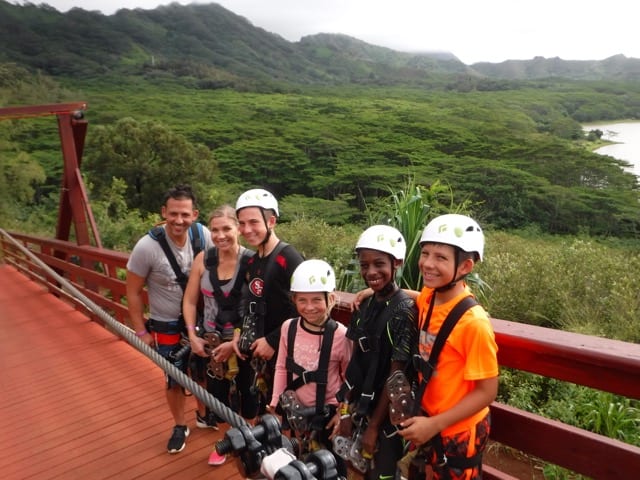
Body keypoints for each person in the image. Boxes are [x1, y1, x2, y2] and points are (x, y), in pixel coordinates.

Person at [398, 214, 499, 480]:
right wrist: (380, 292)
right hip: (429, 419)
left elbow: (487, 391)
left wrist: (434, 425)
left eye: (441, 258)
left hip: (458, 430)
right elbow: (419, 298)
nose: (428, 264)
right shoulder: (431, 296)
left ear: (465, 265)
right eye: (425, 253)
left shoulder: (474, 323)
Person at [126, 184, 213, 455]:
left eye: (185, 214)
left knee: (203, 372)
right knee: (173, 377)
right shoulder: (147, 246)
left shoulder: (204, 237)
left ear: (195, 214)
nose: (179, 220)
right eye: (173, 213)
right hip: (165, 323)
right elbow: (132, 291)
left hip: (199, 320)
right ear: (164, 212)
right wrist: (141, 333)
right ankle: (179, 424)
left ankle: (203, 414)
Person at [333, 225, 418, 480]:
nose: (370, 272)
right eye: (364, 265)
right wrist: (346, 410)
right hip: (362, 404)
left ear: (397, 263)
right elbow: (355, 361)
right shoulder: (365, 304)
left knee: (382, 472)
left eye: (379, 264)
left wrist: (372, 427)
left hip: (385, 416)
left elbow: (396, 377)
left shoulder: (404, 311)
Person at [182, 204, 255, 466]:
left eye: (227, 228)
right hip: (212, 341)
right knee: (217, 397)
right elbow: (190, 301)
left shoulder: (251, 262)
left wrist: (238, 340)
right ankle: (227, 443)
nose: (220, 235)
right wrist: (192, 335)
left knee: (249, 395)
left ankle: (249, 444)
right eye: (214, 230)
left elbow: (260, 307)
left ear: (239, 229)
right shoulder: (204, 260)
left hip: (243, 341)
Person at [269, 259, 352, 476]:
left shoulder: (341, 335)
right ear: (294, 300)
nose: (309, 307)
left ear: (331, 298)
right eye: (302, 300)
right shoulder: (289, 328)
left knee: (330, 468)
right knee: (296, 465)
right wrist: (276, 403)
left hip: (326, 415)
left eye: (317, 299)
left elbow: (349, 380)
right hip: (294, 410)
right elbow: (281, 366)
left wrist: (342, 415)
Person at [232, 188, 304, 414]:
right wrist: (239, 331)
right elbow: (250, 302)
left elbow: (309, 308)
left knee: (283, 413)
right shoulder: (254, 261)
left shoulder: (289, 258)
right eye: (241, 224)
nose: (246, 229)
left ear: (271, 221)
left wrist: (273, 340)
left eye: (253, 222)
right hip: (262, 352)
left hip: (285, 352)